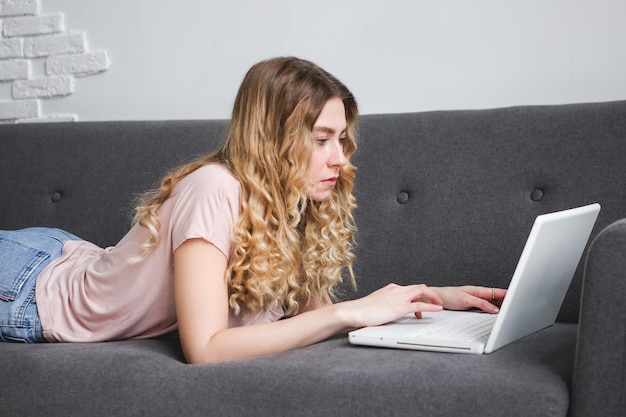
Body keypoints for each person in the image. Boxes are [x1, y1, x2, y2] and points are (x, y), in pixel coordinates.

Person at [0, 57, 505, 363]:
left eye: (342, 139)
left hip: (65, 252)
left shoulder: (295, 202)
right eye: (322, 139)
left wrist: (427, 298)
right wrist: (352, 311)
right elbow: (206, 349)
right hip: (26, 288)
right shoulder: (214, 188)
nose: (340, 157)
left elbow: (315, 319)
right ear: (274, 138)